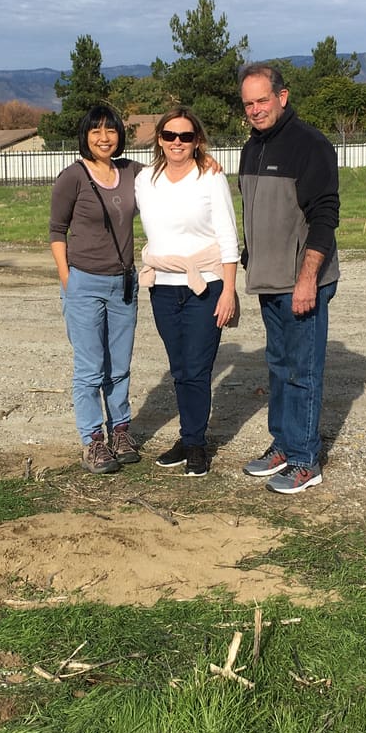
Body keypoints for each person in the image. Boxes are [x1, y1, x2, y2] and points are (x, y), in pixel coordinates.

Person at [236, 62, 340, 494]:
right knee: (278, 368)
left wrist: (307, 279)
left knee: (303, 370)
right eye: (248, 104)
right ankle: (283, 443)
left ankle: (304, 459)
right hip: (268, 278)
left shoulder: (310, 145)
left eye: (262, 100)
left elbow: (324, 217)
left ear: (282, 96)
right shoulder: (252, 147)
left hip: (301, 282)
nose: (256, 110)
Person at [134, 108, 240, 477]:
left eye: (186, 136)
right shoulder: (145, 179)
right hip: (163, 287)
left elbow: (228, 236)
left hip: (205, 285)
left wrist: (229, 290)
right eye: (169, 136)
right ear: (159, 139)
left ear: (198, 140)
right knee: (179, 368)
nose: (176, 143)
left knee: (197, 369)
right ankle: (187, 435)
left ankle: (195, 443)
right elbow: (106, 172)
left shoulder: (209, 177)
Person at [49, 105, 142, 474]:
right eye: (96, 131)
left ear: (120, 134)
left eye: (111, 130)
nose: (104, 137)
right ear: (85, 136)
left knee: (119, 366)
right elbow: (57, 230)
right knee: (90, 368)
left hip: (124, 283)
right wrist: (68, 279)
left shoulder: (133, 172)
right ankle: (93, 442)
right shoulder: (72, 177)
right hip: (84, 281)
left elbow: (172, 177)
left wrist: (205, 163)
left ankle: (120, 431)